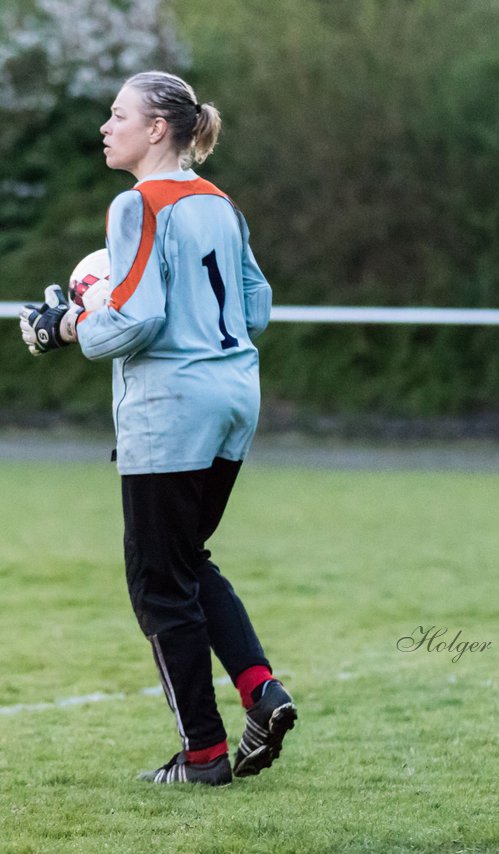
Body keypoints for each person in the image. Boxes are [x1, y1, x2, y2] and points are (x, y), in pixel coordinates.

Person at [18, 70, 295, 786]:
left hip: (175, 405)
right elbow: (257, 308)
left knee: (156, 581)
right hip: (236, 392)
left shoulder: (136, 204)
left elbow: (132, 321)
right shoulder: (218, 201)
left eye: (117, 115)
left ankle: (202, 755)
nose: (105, 127)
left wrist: (66, 325)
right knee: (186, 559)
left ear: (156, 130)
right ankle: (261, 690)